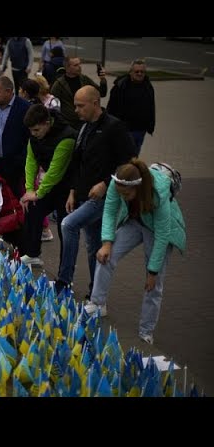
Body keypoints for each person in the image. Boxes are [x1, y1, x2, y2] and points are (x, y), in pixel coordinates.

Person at [84, 158, 186, 345]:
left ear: (138, 188)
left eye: (127, 194)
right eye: (120, 192)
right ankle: (97, 304)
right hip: (135, 222)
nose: (122, 196)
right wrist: (107, 242)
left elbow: (163, 235)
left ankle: (146, 330)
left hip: (157, 230)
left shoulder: (158, 194)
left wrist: (152, 271)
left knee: (153, 284)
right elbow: (109, 210)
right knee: (105, 256)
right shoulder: (118, 184)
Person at [53, 86, 136, 297]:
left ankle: (64, 281)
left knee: (68, 224)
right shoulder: (85, 127)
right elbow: (78, 162)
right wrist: (72, 191)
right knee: (94, 246)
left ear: (95, 103)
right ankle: (96, 293)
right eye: (75, 106)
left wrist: (106, 183)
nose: (77, 110)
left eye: (81, 106)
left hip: (105, 197)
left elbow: (129, 163)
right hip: (83, 194)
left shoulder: (115, 127)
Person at [19, 104, 77, 267]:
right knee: (33, 208)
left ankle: (65, 270)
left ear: (47, 123)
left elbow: (56, 171)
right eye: (31, 130)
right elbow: (31, 161)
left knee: (65, 226)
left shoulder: (67, 137)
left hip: (68, 186)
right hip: (50, 185)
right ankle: (32, 253)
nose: (33, 134)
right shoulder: (34, 136)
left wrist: (38, 193)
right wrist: (30, 190)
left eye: (36, 130)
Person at [106, 59, 155, 156]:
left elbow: (151, 107)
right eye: (137, 71)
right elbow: (111, 108)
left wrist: (150, 125)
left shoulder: (148, 86)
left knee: (134, 157)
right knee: (123, 156)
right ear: (130, 72)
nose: (140, 74)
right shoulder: (120, 86)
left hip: (140, 130)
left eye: (142, 72)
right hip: (124, 129)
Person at [51, 57, 107, 130]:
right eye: (76, 65)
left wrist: (102, 79)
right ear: (67, 68)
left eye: (79, 64)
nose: (79, 67)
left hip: (85, 121)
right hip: (69, 124)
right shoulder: (59, 84)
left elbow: (101, 93)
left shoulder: (84, 79)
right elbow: (52, 104)